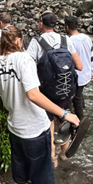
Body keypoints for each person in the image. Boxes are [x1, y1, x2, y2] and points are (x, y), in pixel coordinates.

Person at [0, 26, 80, 184]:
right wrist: (65, 113)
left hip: (15, 129)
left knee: (21, 169)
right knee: (42, 172)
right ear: (18, 41)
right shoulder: (25, 60)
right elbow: (33, 94)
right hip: (35, 129)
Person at [26, 12, 83, 166]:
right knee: (64, 117)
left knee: (48, 122)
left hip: (46, 91)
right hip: (65, 90)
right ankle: (65, 153)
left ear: (41, 24)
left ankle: (52, 158)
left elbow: (27, 67)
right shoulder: (65, 40)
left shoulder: (36, 42)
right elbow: (79, 66)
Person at [65, 16, 93, 121]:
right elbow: (91, 55)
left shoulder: (69, 41)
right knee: (80, 93)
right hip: (87, 73)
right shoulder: (87, 38)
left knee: (76, 98)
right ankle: (84, 109)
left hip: (78, 75)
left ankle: (80, 120)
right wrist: (92, 71)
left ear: (67, 27)